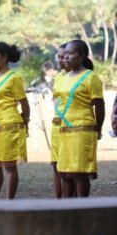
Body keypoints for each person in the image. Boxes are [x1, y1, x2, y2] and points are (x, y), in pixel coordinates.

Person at [57, 39, 105, 197]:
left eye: (70, 53)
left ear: (82, 56)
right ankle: (67, 210)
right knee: (65, 172)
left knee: (80, 173)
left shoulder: (90, 77)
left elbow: (99, 105)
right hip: (65, 130)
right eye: (65, 54)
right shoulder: (65, 77)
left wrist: (98, 128)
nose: (66, 57)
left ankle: (81, 209)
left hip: (83, 130)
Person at [0, 42, 29, 199]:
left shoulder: (14, 78)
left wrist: (26, 122)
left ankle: (9, 202)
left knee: (9, 166)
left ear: (4, 57)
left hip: (11, 125)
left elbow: (24, 103)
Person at [51, 43, 69, 198]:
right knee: (55, 166)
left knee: (69, 168)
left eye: (64, 56)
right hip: (57, 125)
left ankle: (72, 201)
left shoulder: (82, 76)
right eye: (59, 56)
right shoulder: (57, 77)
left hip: (72, 126)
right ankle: (57, 202)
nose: (61, 59)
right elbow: (55, 99)